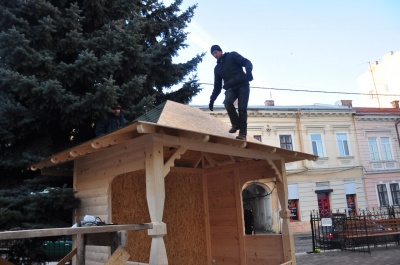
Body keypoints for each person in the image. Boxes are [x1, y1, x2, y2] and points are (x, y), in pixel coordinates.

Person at [208, 45, 253, 140]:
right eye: (213, 54)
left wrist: (249, 72)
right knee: (227, 102)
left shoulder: (232, 56)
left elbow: (247, 62)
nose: (214, 55)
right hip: (230, 88)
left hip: (243, 85)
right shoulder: (217, 68)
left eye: (215, 52)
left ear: (220, 51)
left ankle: (242, 134)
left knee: (242, 109)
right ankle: (236, 124)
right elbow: (217, 86)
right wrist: (212, 100)